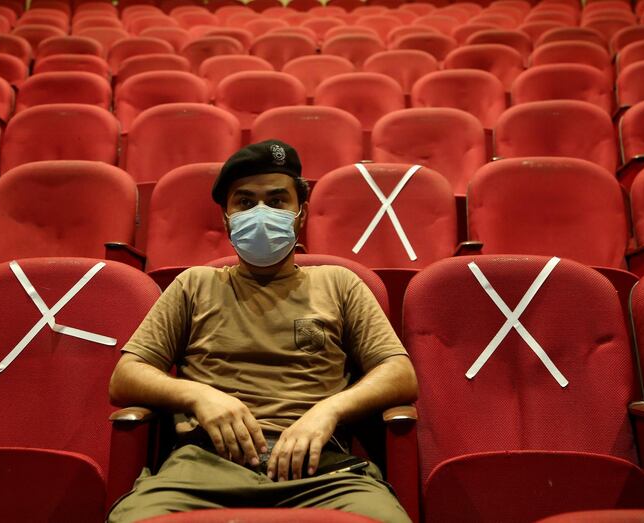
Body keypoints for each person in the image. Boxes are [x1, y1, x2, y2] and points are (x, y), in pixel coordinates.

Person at [108, 140, 418, 522]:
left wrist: (329, 410)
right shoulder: (194, 285)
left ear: (299, 213)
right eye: (244, 202)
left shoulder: (341, 284)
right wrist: (198, 396)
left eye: (276, 201)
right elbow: (126, 376)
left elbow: (399, 373)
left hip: (322, 470)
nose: (261, 213)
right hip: (201, 468)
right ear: (226, 217)